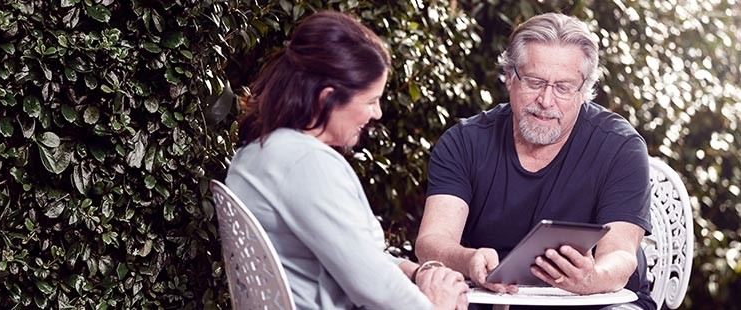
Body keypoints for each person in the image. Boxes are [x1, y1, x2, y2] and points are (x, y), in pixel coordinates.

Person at [225, 11, 469, 310]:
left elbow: (351, 256)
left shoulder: (256, 153)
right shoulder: (307, 164)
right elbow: (374, 289)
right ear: (327, 98)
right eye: (370, 101)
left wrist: (416, 272)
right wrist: (436, 304)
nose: (377, 113)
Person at [415, 12, 656, 310]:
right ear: (509, 78)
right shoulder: (463, 143)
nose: (546, 100)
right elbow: (432, 241)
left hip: (597, 302)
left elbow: (620, 254)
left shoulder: (621, 147)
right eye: (534, 82)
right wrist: (468, 260)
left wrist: (590, 277)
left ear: (584, 91)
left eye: (563, 87)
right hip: (491, 299)